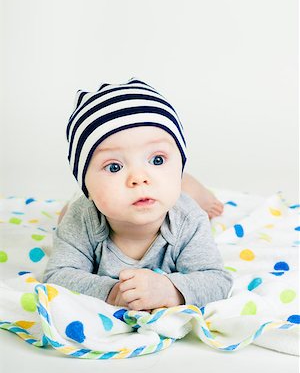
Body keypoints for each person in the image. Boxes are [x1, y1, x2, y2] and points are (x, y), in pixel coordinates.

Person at [43, 78, 232, 311]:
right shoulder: (82, 219)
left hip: (179, 191)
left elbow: (217, 281)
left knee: (191, 194)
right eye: (114, 167)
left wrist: (170, 291)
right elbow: (57, 276)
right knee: (65, 215)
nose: (139, 178)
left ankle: (195, 187)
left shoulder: (189, 220)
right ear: (87, 185)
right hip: (85, 203)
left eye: (157, 159)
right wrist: (113, 293)